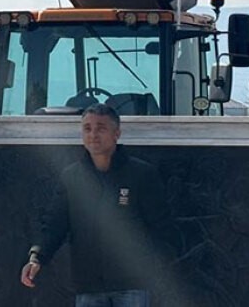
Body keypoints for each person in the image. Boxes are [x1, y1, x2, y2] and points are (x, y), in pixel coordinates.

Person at [20, 104, 172, 307]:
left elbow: (161, 229)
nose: (93, 135)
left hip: (132, 287)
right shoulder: (71, 177)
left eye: (101, 128)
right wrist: (37, 258)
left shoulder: (142, 175)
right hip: (88, 287)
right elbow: (55, 225)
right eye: (87, 128)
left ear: (116, 133)